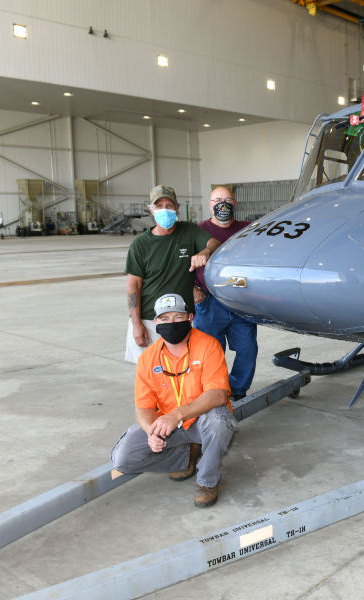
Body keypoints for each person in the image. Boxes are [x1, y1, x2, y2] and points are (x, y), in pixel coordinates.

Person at [111, 293, 237, 508]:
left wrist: (176, 415)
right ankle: (185, 455)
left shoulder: (208, 345)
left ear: (189, 318)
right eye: (165, 318)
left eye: (178, 317)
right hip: (169, 426)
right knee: (123, 458)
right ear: (156, 322)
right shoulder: (148, 358)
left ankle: (207, 481)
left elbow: (218, 394)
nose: (172, 323)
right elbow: (144, 407)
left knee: (219, 422)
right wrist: (152, 432)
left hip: (200, 421)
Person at [125, 185, 220, 364]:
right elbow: (133, 287)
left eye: (169, 206)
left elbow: (215, 243)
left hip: (180, 318)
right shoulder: (140, 245)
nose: (165, 210)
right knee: (150, 372)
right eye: (159, 206)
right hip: (149, 319)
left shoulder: (189, 231)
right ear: (151, 210)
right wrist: (137, 325)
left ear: (177, 208)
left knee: (181, 371)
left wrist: (205, 251)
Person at [193, 186, 258, 400]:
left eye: (228, 199)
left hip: (240, 301)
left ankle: (238, 390)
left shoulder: (249, 229)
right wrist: (193, 290)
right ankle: (213, 392)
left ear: (235, 203)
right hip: (209, 302)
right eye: (218, 199)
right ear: (210, 204)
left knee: (247, 348)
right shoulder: (196, 232)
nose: (223, 203)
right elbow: (179, 265)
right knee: (210, 352)